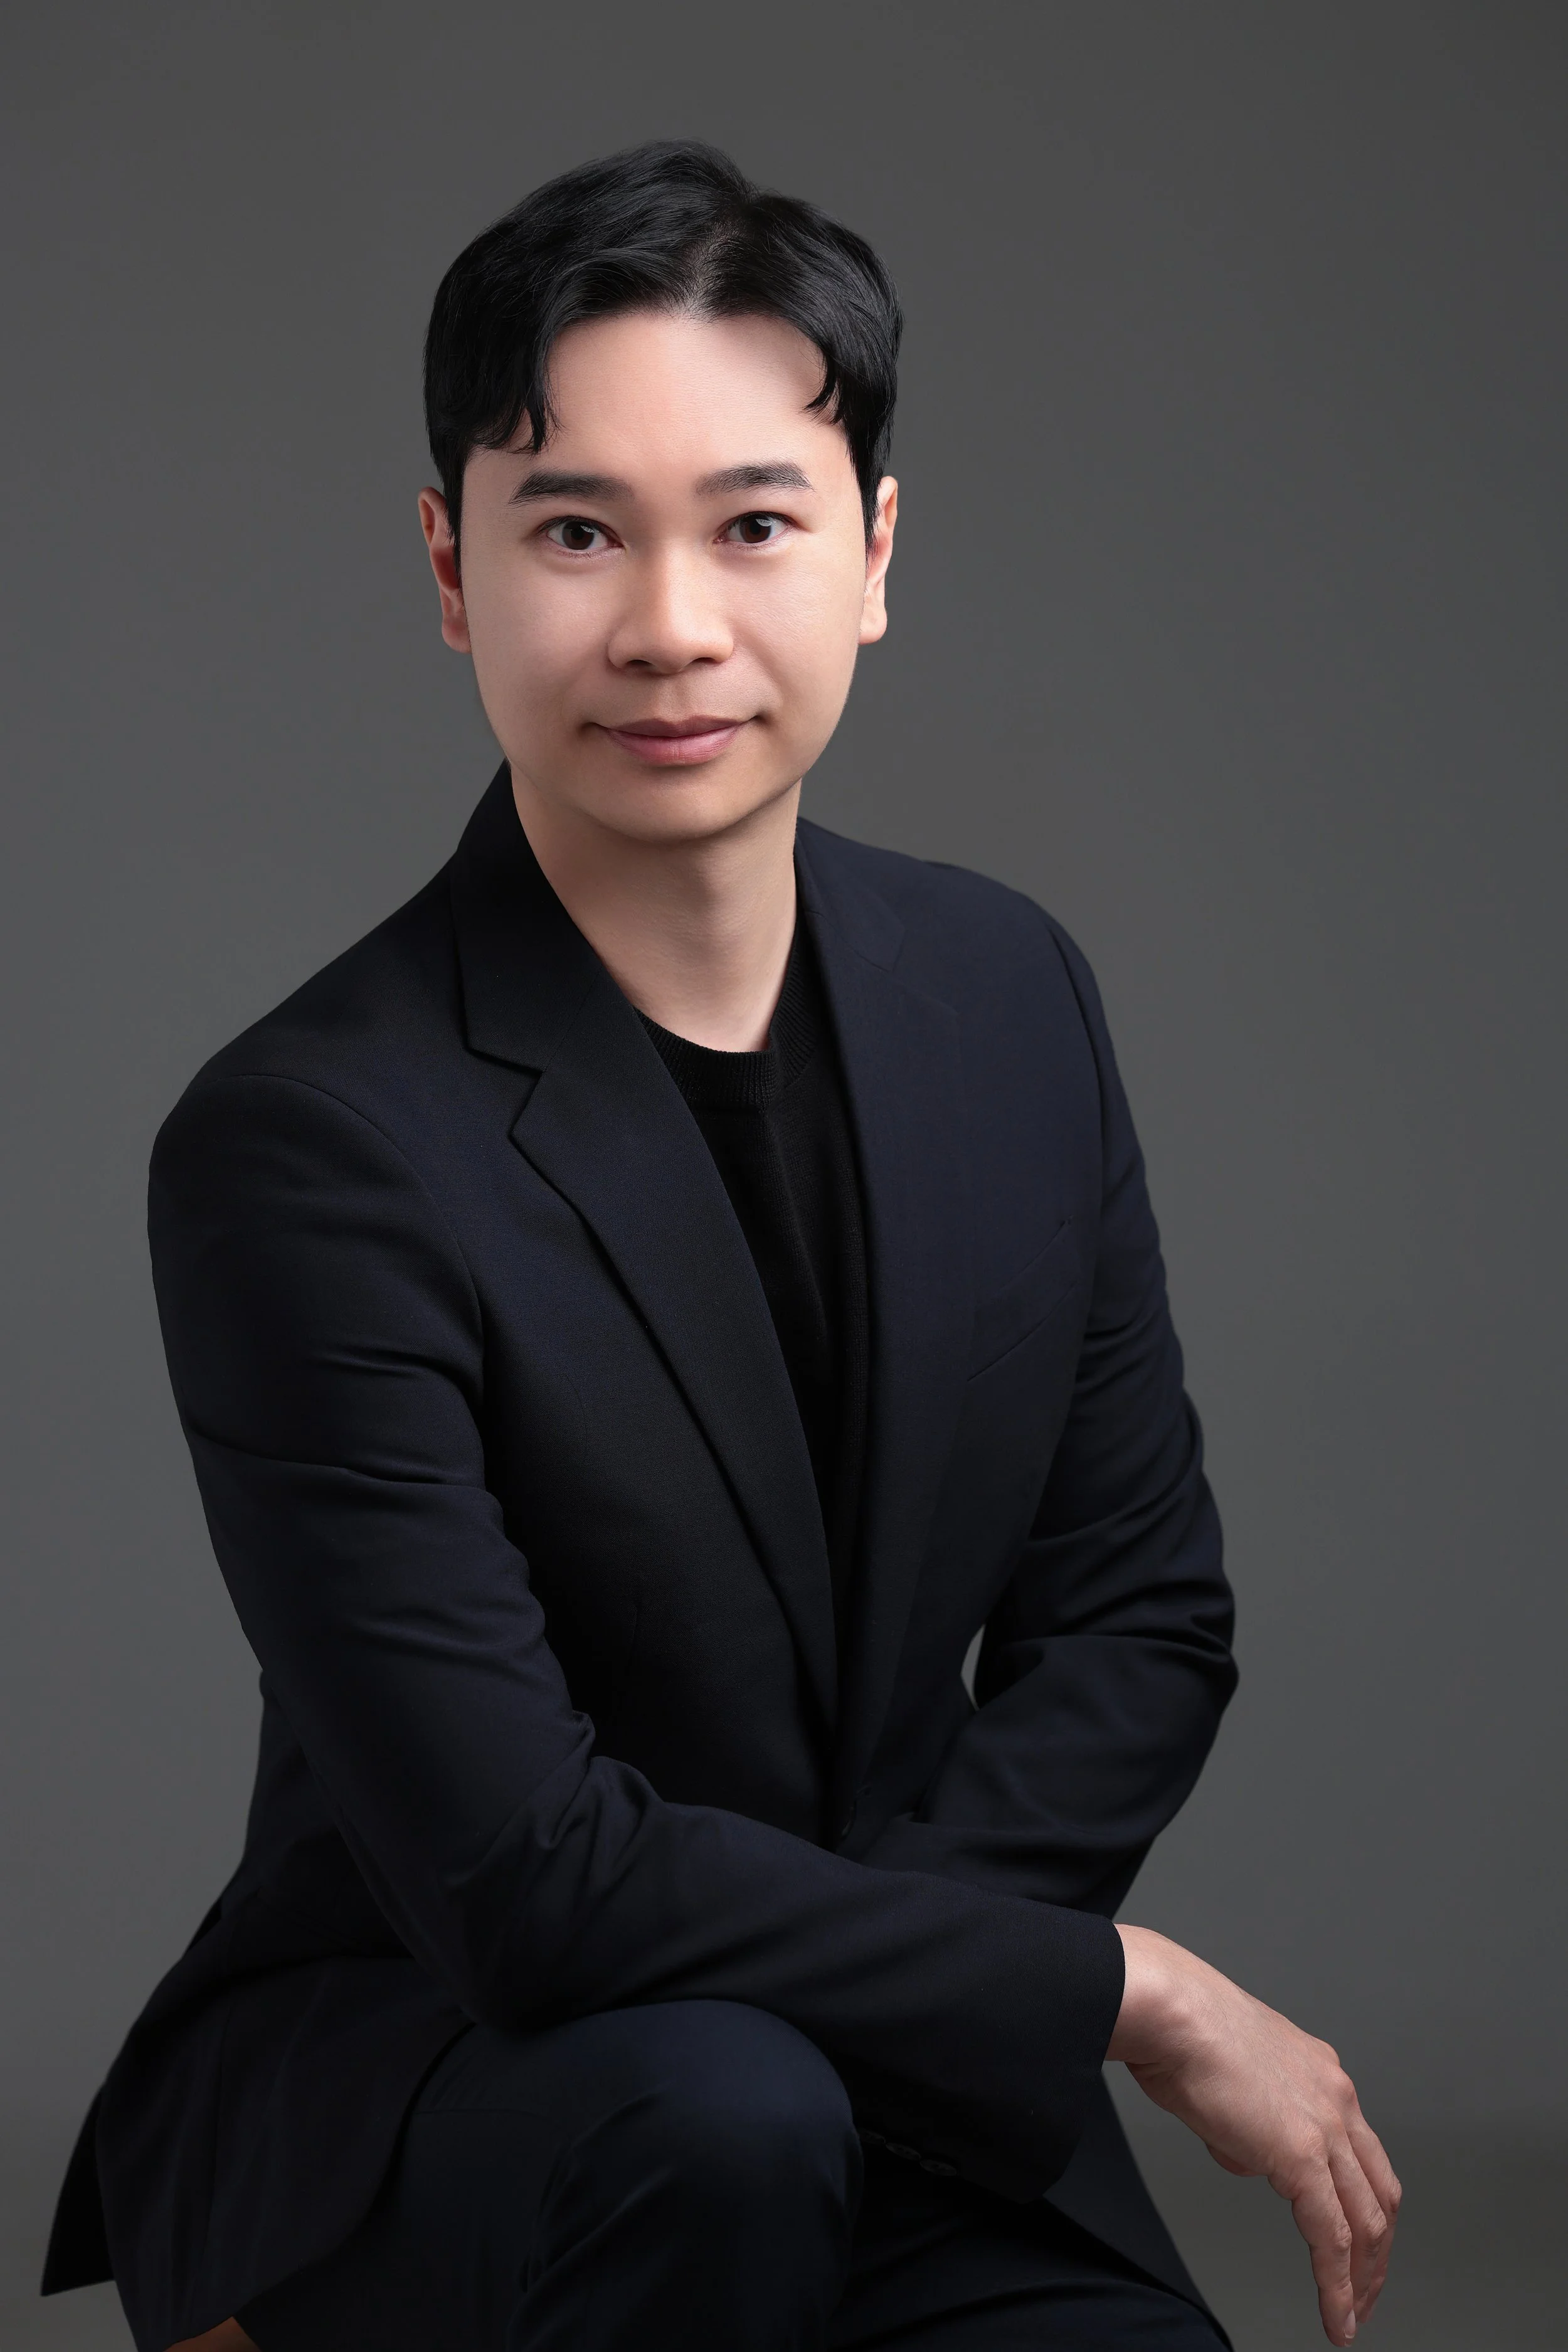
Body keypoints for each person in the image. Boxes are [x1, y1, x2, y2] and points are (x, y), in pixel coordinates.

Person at [42, 140, 1397, 2352]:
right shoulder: (307, 1142)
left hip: (882, 2085)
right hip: (452, 2077)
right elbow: (519, 1875)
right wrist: (1108, 1988)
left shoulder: (1009, 993)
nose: (669, 624)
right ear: (451, 570)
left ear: (874, 556)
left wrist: (923, 1994)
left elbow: (1138, 1621)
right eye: (575, 529)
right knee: (725, 2118)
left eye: (754, 523)